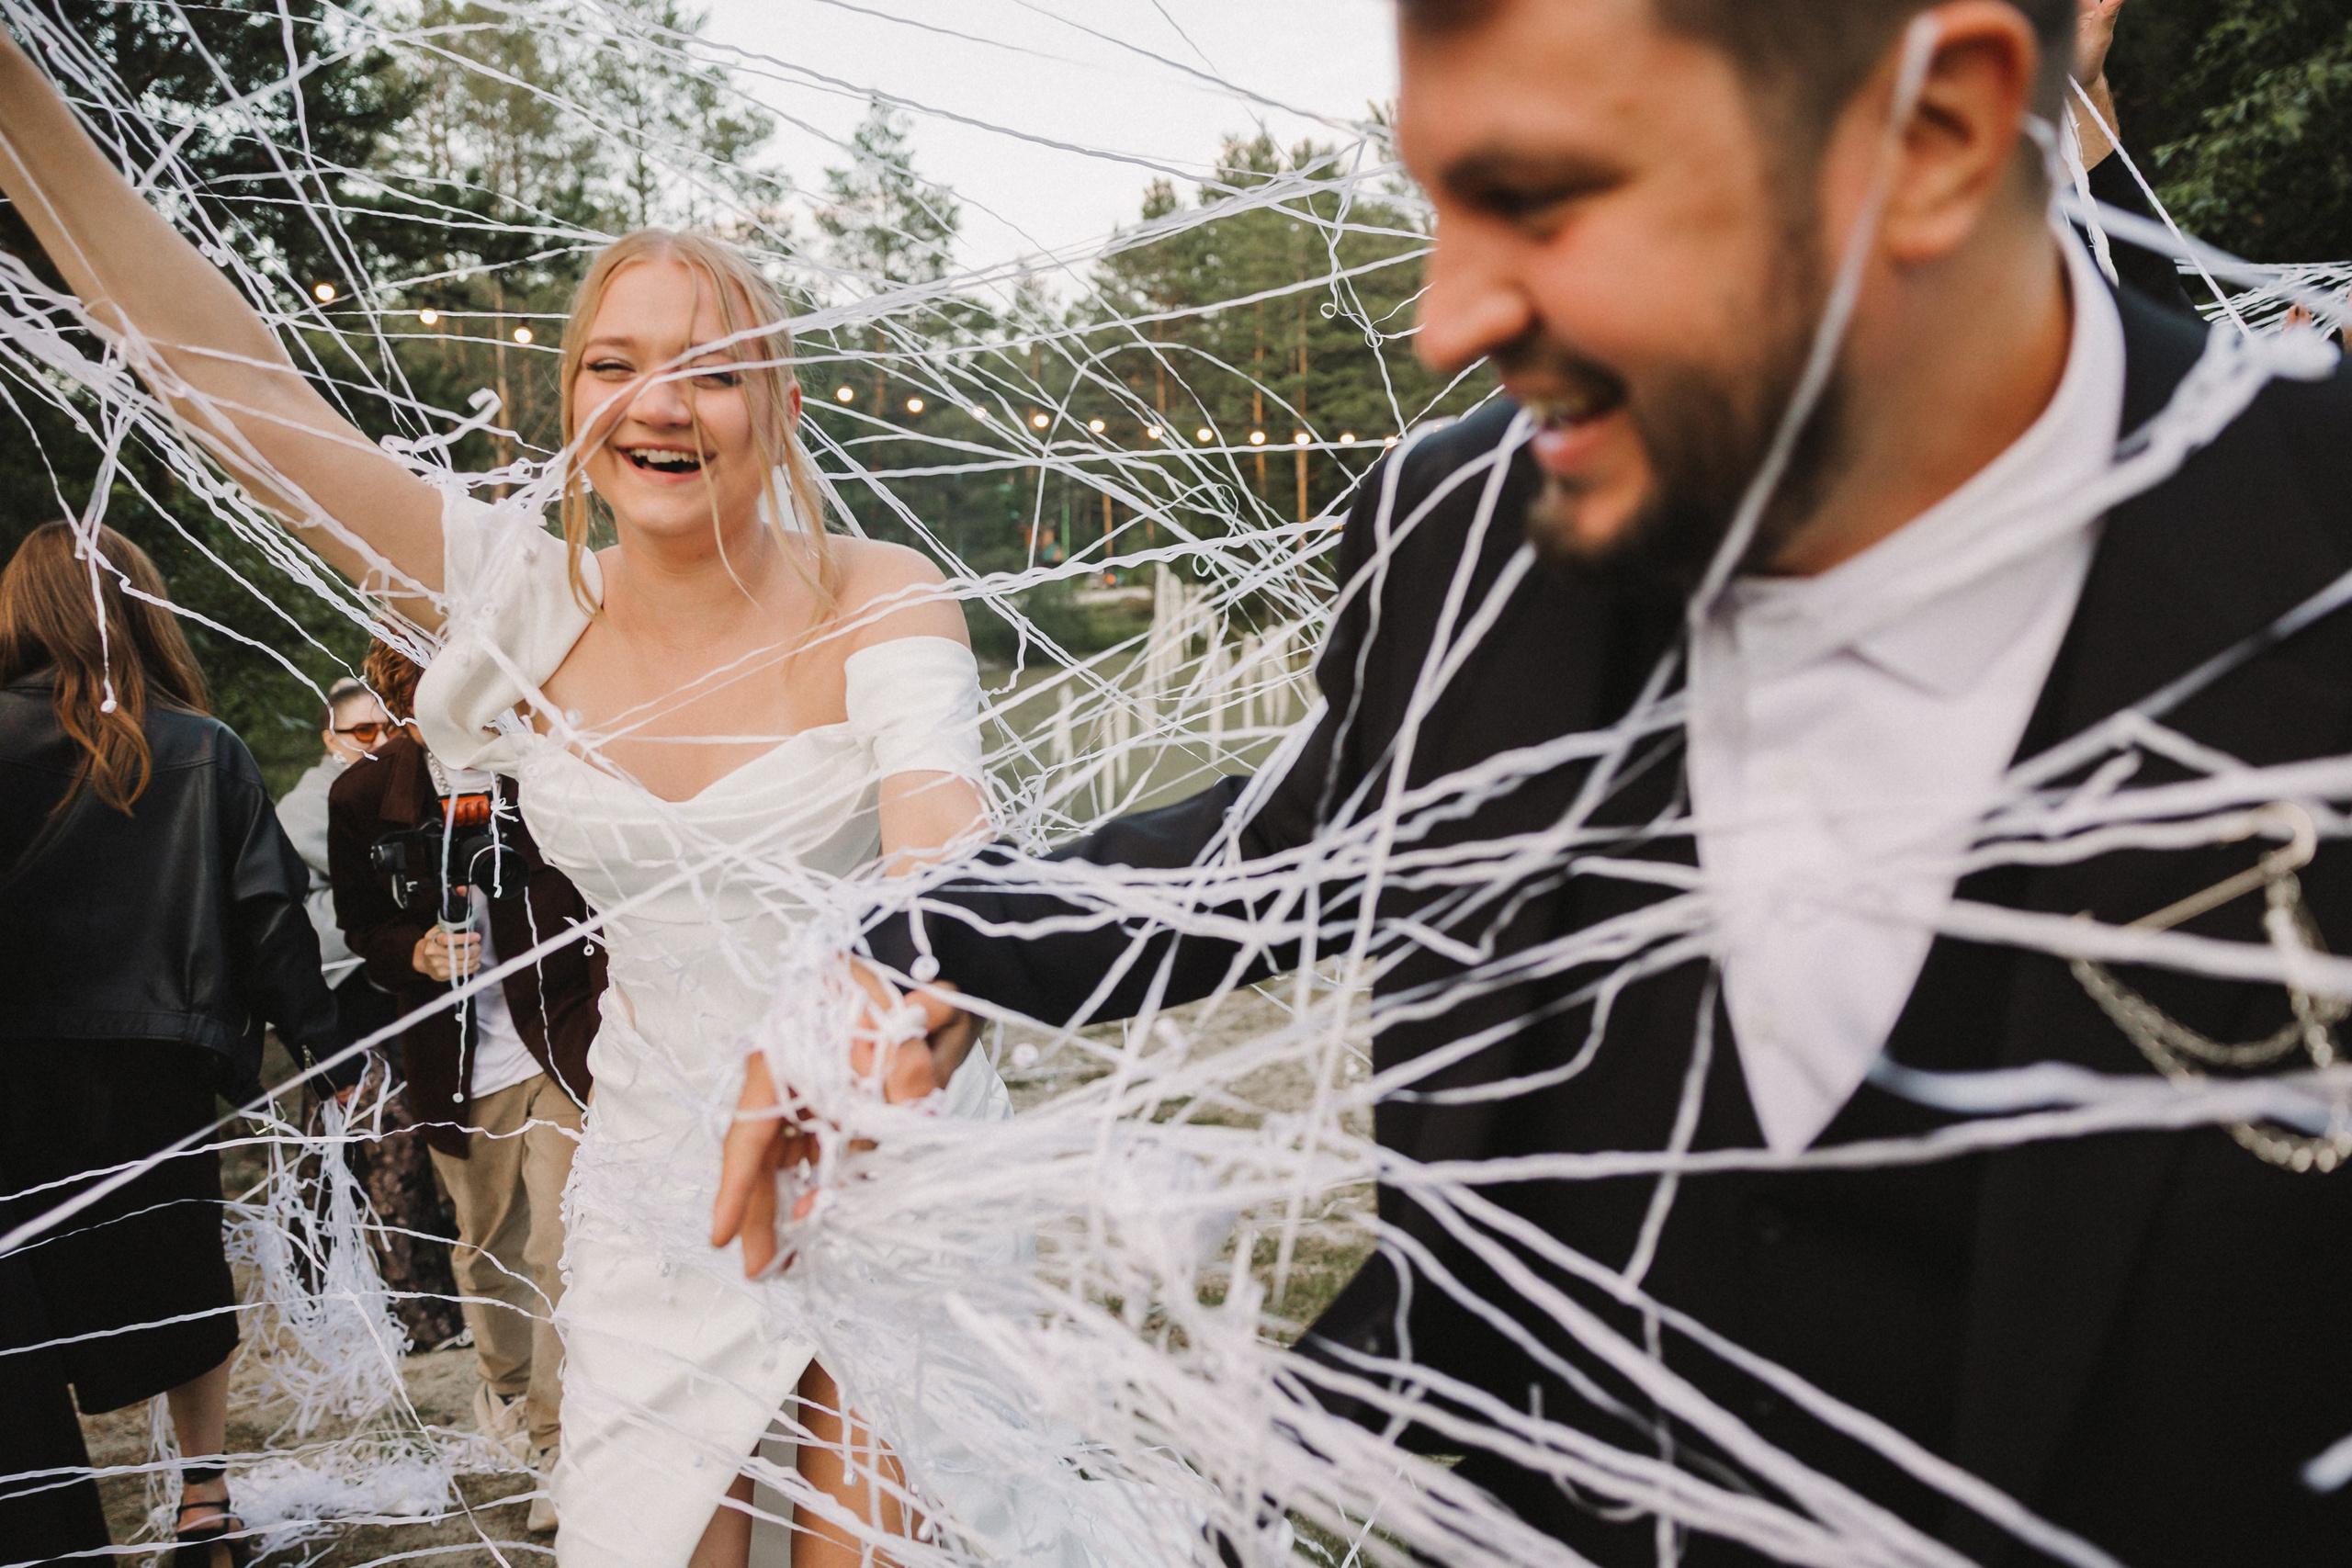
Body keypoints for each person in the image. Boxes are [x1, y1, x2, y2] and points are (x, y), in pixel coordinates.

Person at [714, 0, 2352, 1564]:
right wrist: (934, 940)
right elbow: (1325, 827)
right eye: (1440, 201)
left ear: (1934, 135)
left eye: (1550, 201)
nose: (1450, 322)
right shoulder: (1469, 526)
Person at [0, 37, 1021, 1568]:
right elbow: (233, 386)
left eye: (710, 367)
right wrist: (18, 98)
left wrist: (890, 1008)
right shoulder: (524, 599)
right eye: (614, 364)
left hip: (881, 1143)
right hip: (656, 1191)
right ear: (574, 400)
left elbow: (944, 829)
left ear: (782, 401)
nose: (658, 401)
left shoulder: (877, 593)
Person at [0, 521, 338, 1568]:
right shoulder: (204, 748)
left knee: (26, 1297)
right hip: (160, 1066)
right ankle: (205, 1507)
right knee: (183, 1278)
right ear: (145, 607)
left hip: (12, 1073)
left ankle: (44, 1519)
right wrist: (325, 1047)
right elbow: (271, 917)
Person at [327, 637, 602, 1534]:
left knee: (558, 1243)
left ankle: (563, 1443)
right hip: (454, 1058)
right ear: (409, 688)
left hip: (558, 1038)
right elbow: (360, 921)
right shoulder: (364, 793)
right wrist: (412, 949)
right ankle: (508, 1392)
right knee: (487, 1246)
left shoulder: (543, 762)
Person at [277, 668, 469, 1354]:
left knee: (359, 1157)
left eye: (385, 729)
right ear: (330, 737)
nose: (375, 741)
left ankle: (393, 1310)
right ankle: (414, 1319)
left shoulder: (403, 791)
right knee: (378, 1159)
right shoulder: (308, 807)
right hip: (343, 1010)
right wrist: (385, 926)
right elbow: (294, 919)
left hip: (396, 1000)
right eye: (361, 730)